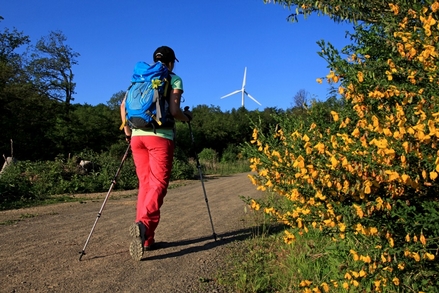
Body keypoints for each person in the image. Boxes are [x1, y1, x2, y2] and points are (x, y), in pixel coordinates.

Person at [120, 46, 192, 261]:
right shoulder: (174, 79)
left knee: (145, 184)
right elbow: (174, 111)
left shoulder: (139, 77)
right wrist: (187, 118)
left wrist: (127, 133)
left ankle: (147, 239)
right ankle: (143, 225)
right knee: (158, 184)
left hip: (136, 136)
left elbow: (123, 105)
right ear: (171, 62)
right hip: (160, 137)